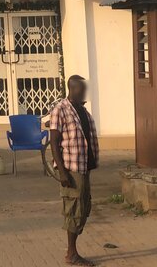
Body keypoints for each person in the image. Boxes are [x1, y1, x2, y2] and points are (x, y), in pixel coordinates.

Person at [48, 75, 100, 266]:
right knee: (73, 210)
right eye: (81, 90)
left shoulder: (83, 111)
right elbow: (54, 142)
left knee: (84, 208)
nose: (84, 93)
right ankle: (71, 253)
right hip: (71, 168)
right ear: (72, 89)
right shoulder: (60, 110)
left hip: (84, 166)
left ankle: (73, 251)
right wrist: (61, 172)